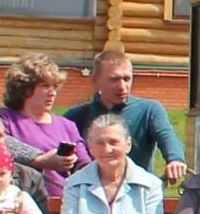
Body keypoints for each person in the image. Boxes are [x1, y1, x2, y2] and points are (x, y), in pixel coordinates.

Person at [63, 49, 188, 186]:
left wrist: (175, 159)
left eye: (127, 79)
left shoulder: (149, 110)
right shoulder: (76, 116)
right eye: (114, 80)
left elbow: (166, 135)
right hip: (90, 192)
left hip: (137, 193)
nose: (122, 87)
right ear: (95, 80)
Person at [0, 54, 86, 204]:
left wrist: (74, 162)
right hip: (18, 204)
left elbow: (85, 165)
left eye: (55, 86)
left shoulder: (66, 125)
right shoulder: (4, 119)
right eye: (45, 86)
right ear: (24, 88)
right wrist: (40, 159)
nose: (52, 92)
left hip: (62, 206)